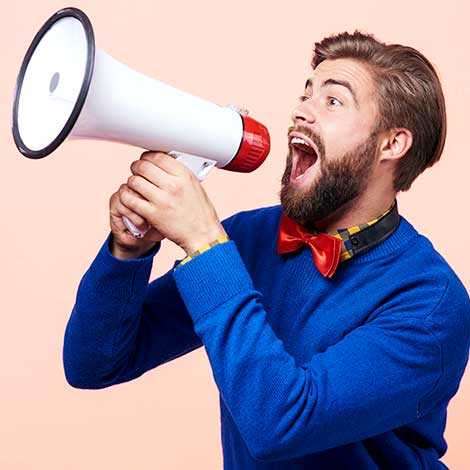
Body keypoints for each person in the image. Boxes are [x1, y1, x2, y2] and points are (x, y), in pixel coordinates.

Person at [63, 31, 470, 469]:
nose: (300, 111)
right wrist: (128, 253)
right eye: (306, 93)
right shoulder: (253, 237)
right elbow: (94, 364)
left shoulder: (430, 306)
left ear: (392, 144)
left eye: (333, 102)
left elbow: (282, 422)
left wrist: (204, 245)